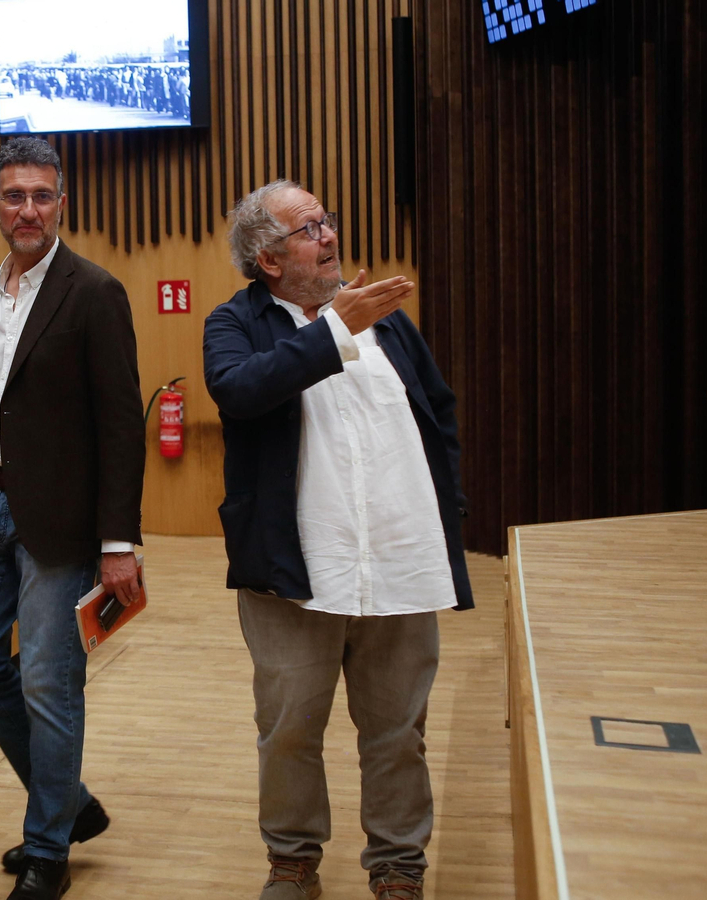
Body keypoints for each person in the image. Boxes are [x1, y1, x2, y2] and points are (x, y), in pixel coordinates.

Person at [202, 181, 472, 900]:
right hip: (295, 576)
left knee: (398, 734)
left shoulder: (387, 320)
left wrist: (448, 510)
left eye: (327, 222)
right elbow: (240, 390)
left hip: (399, 561)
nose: (329, 236)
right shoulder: (235, 323)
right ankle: (293, 862)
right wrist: (333, 330)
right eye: (309, 227)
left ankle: (397, 867)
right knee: (289, 731)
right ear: (268, 259)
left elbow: (437, 415)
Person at [0, 136, 146, 900]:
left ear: (62, 203)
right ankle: (70, 803)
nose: (28, 209)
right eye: (14, 195)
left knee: (52, 686)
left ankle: (46, 849)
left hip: (60, 523)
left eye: (42, 196)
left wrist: (118, 542)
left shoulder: (94, 291)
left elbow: (122, 424)